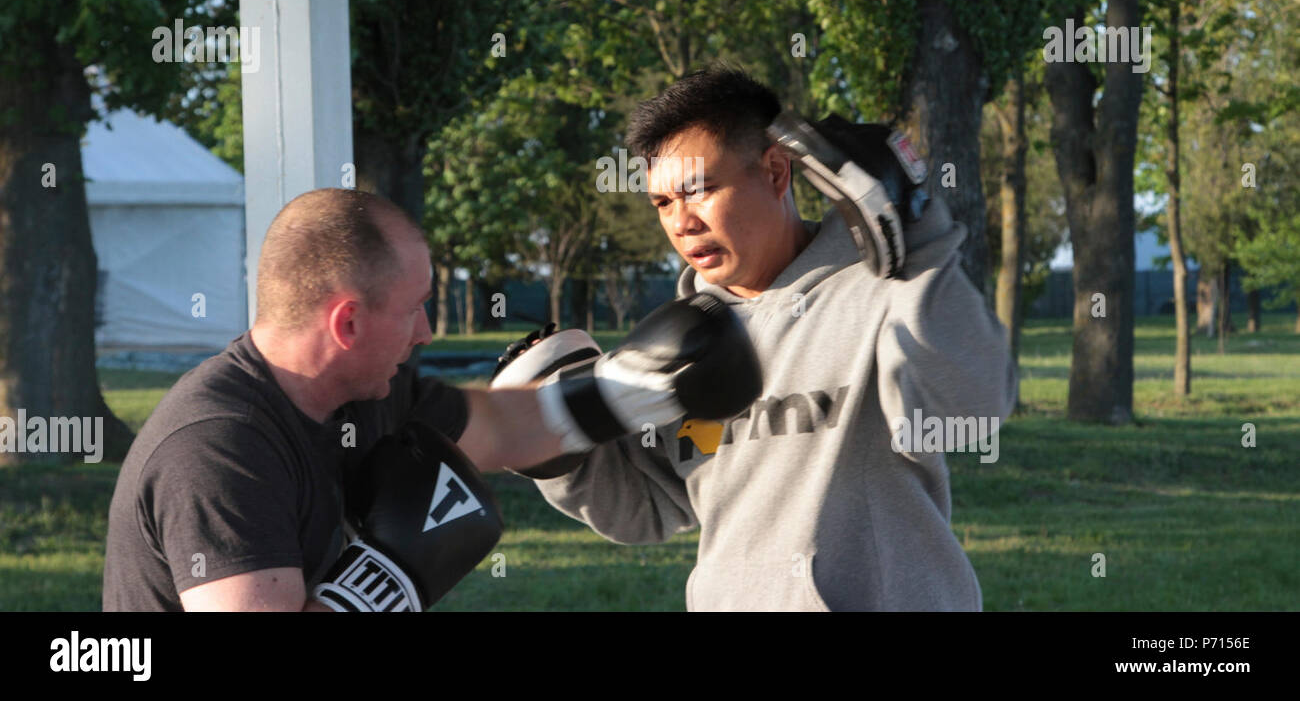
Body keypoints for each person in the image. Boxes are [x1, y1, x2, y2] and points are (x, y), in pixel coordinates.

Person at [103, 187, 760, 611]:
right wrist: (385, 579)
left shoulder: (363, 393)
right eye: (415, 309)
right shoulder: (220, 451)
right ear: (348, 323)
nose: (427, 331)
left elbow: (504, 429)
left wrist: (633, 392)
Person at [526, 68, 1018, 611]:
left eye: (698, 190)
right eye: (662, 203)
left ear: (776, 173)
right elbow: (650, 505)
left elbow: (972, 410)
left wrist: (915, 233)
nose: (681, 222)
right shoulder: (681, 340)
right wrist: (556, 450)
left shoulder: (883, 291)